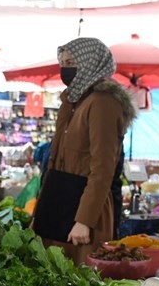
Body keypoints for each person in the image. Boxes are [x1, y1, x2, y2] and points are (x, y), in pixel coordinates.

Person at [32, 37, 135, 264]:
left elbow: (103, 167)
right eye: (63, 62)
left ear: (90, 62)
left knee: (79, 280)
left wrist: (84, 220)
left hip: (84, 206)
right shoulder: (74, 101)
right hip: (60, 197)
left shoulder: (103, 102)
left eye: (72, 62)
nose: (65, 68)